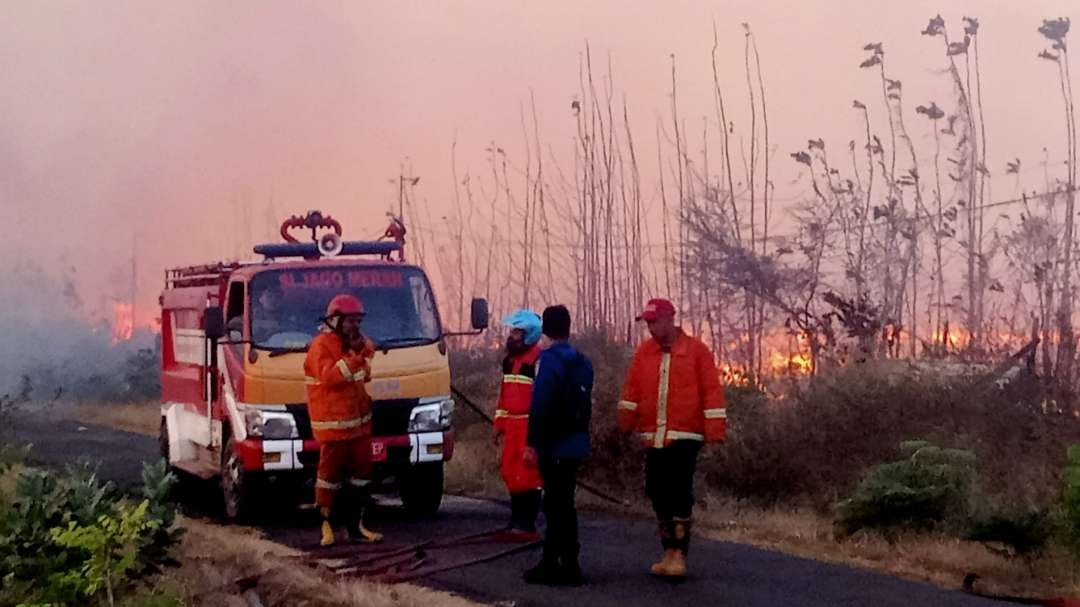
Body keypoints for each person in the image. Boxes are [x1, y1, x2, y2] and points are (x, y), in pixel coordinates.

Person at [617, 298, 726, 578]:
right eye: (648, 322)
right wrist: (625, 422)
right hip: (653, 435)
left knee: (679, 494)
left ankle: (680, 554)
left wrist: (714, 431)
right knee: (656, 491)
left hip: (685, 435)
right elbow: (632, 389)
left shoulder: (696, 351)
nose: (651, 327)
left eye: (655, 321)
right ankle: (667, 551)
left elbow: (712, 391)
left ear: (669, 319)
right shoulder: (644, 352)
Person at [303, 293, 384, 547]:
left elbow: (364, 376)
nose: (356, 326)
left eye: (358, 321)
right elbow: (331, 377)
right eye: (351, 321)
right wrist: (358, 357)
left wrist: (362, 354)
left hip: (359, 426)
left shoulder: (352, 345)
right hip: (333, 428)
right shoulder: (320, 346)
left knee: (362, 475)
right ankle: (327, 526)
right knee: (328, 478)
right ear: (335, 320)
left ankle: (355, 527)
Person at [524, 305, 593, 586]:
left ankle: (555, 564)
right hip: (576, 442)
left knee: (554, 505)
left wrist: (532, 443)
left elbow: (540, 404)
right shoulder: (583, 362)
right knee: (565, 503)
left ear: (545, 330)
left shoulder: (549, 361)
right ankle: (566, 562)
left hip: (554, 446)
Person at [493, 309, 544, 541]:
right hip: (512, 426)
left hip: (528, 426)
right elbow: (504, 395)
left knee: (528, 475)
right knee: (510, 472)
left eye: (517, 332)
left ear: (530, 334)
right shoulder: (509, 361)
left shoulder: (537, 360)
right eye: (512, 331)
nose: (512, 335)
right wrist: (499, 424)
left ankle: (527, 523)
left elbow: (541, 398)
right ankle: (516, 521)